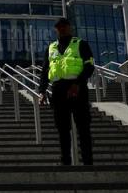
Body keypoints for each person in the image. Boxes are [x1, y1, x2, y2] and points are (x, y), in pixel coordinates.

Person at [38, 17, 96, 165]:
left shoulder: (80, 44)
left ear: (69, 27)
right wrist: (42, 91)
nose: (61, 28)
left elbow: (89, 66)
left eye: (64, 26)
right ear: (56, 29)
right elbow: (45, 71)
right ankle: (65, 161)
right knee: (62, 129)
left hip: (78, 88)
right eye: (59, 27)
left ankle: (88, 161)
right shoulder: (51, 48)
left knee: (83, 127)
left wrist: (77, 83)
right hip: (58, 90)